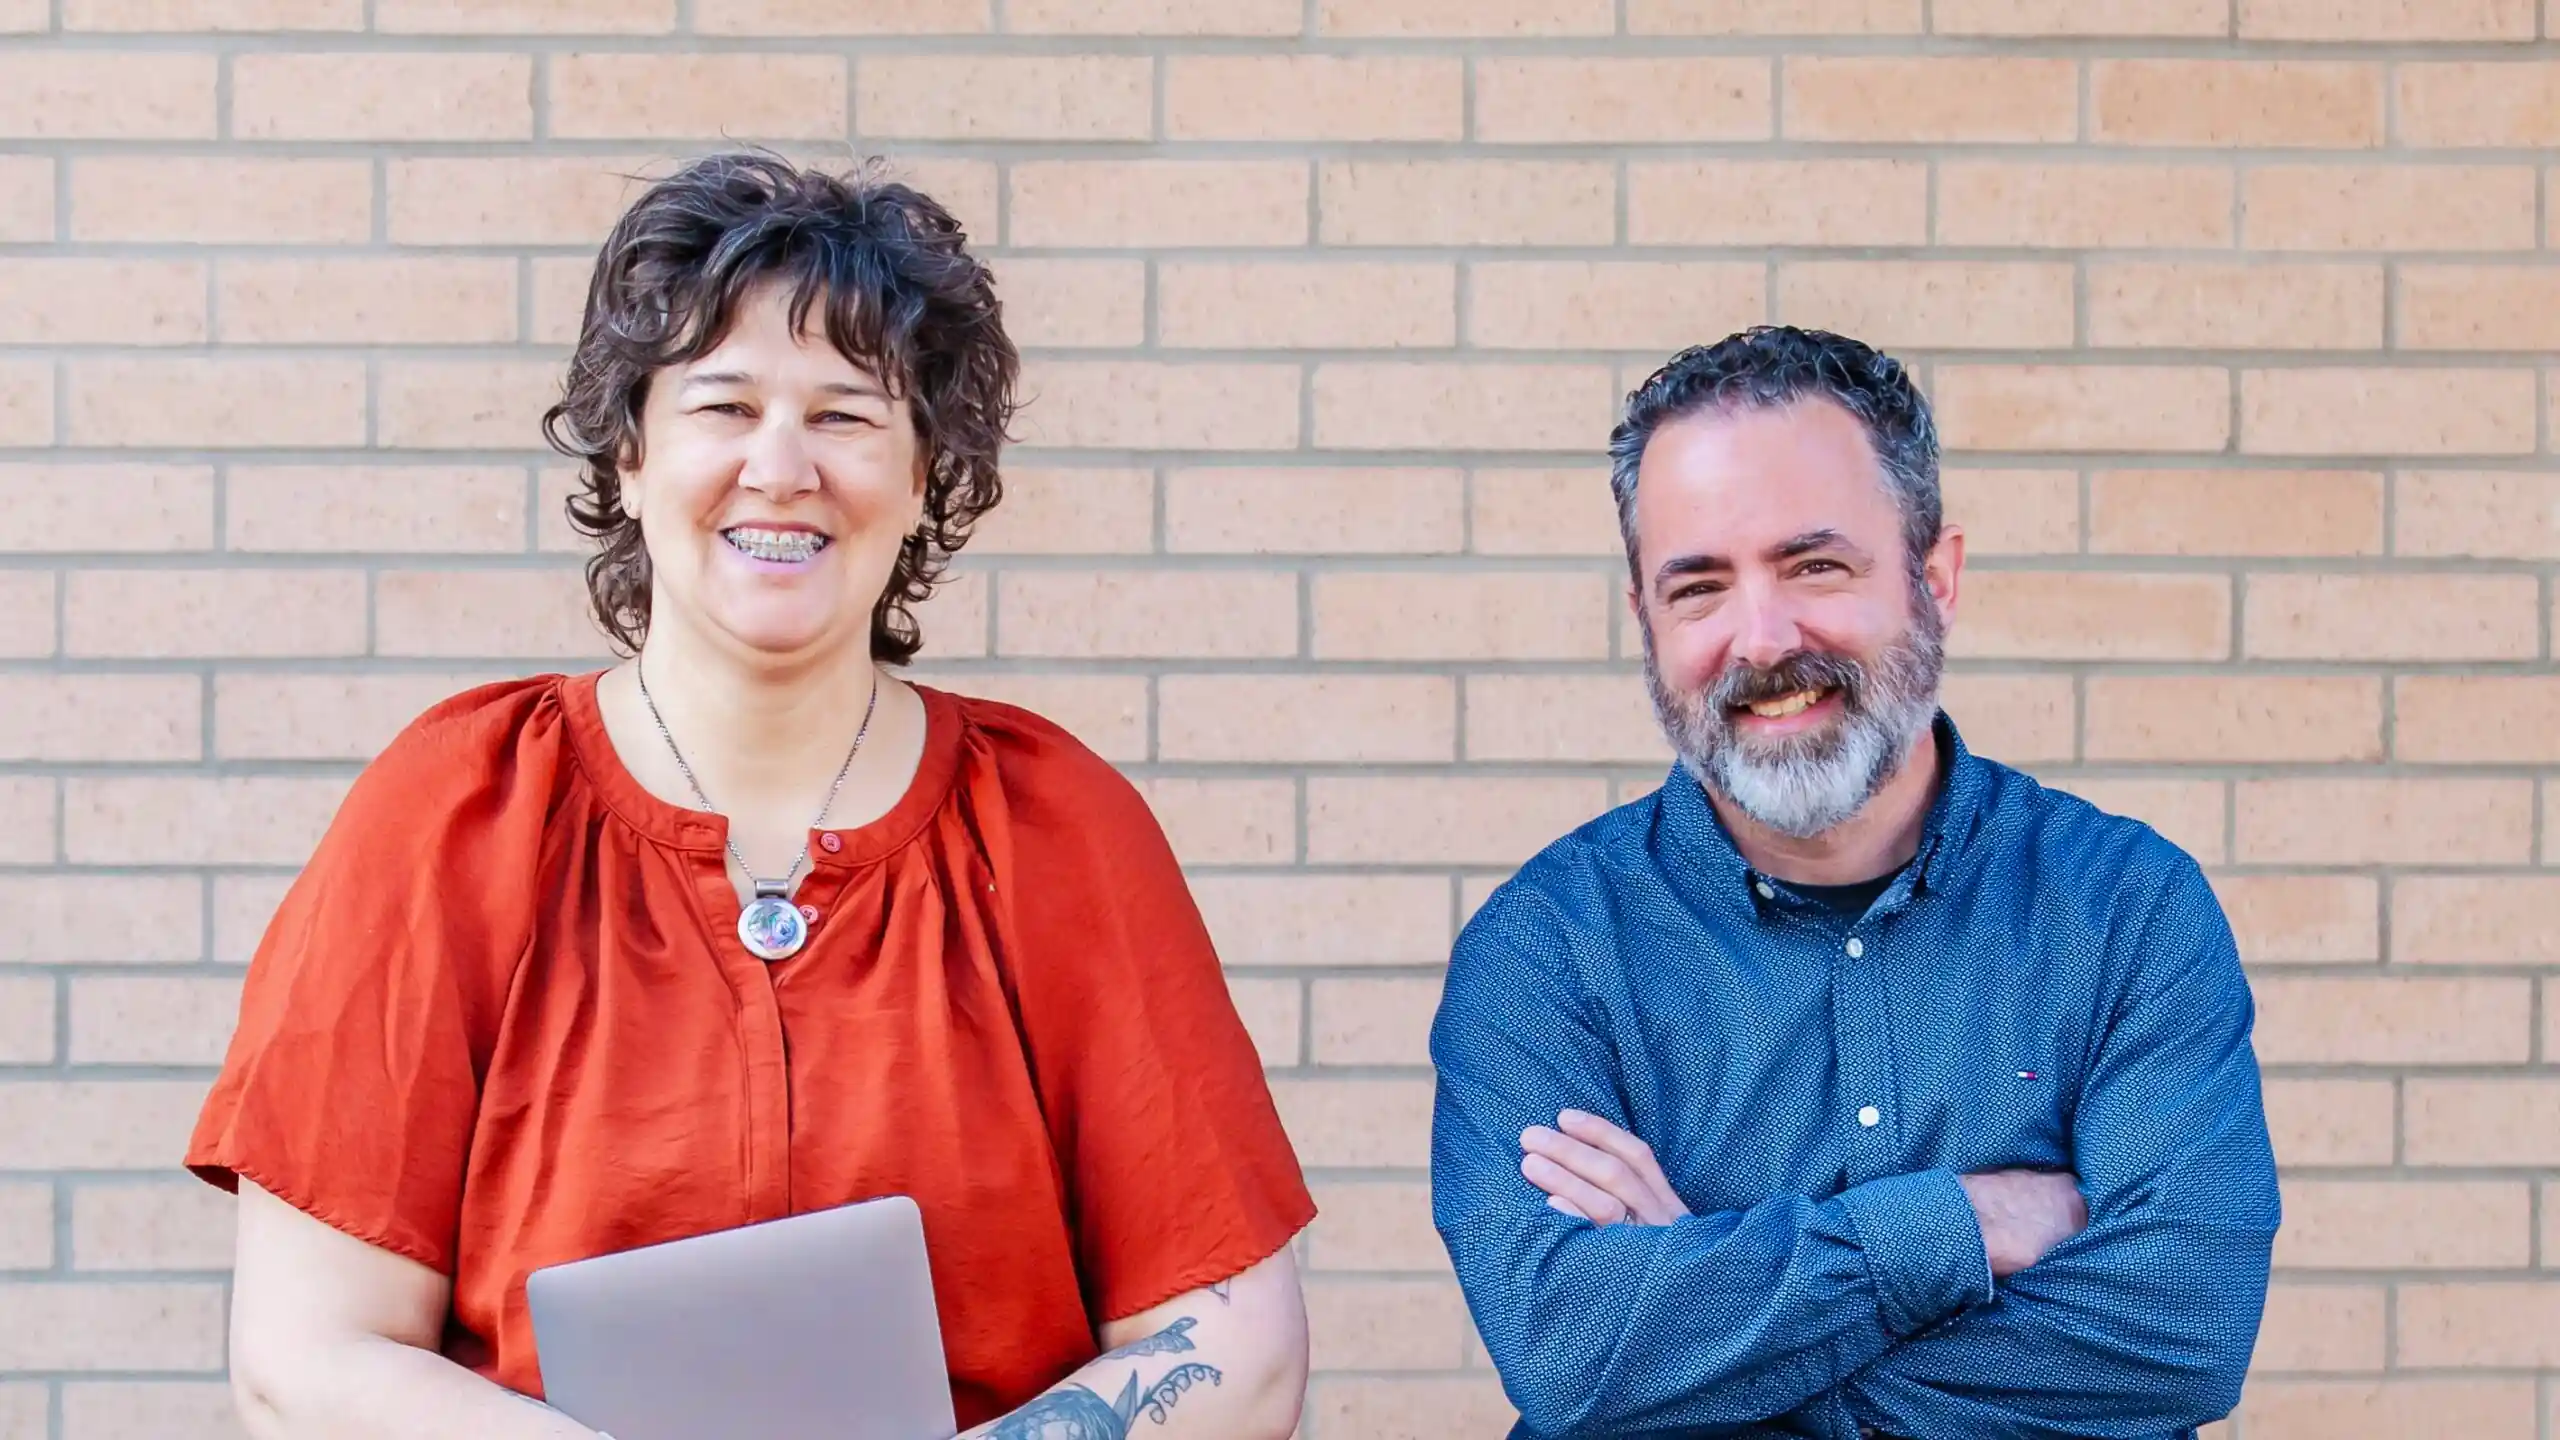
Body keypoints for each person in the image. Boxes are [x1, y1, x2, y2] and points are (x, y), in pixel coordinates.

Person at [187, 152, 1314, 1440]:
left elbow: (1240, 1346)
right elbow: (307, 1356)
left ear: (923, 474)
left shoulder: (1060, 831)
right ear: (628, 450)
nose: (782, 469)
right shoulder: (455, 811)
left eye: (844, 415)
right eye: (723, 406)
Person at [1428, 327, 2280, 1440]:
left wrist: (1711, 1341)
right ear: (1644, 621)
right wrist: (1959, 1229)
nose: (1762, 637)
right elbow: (1567, 1351)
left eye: (1812, 565)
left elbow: (2179, 1334)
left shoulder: (2125, 911)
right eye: (1698, 588)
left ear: (1936, 579)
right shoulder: (1546, 952)